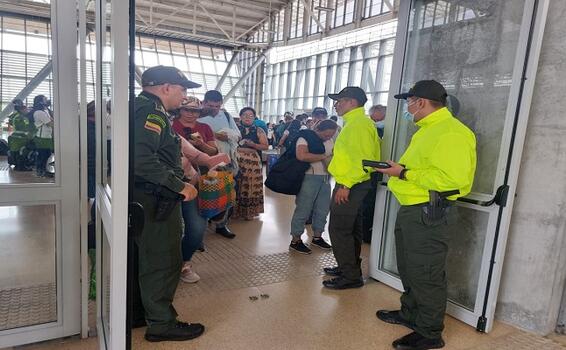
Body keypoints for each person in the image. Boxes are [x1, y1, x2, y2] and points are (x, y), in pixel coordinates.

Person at [374, 80, 476, 350]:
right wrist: (401, 169)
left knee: (426, 273)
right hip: (414, 208)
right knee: (410, 267)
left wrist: (404, 173)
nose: (407, 108)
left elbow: (452, 180)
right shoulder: (427, 130)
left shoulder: (451, 132)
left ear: (420, 102)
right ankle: (410, 314)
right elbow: (427, 168)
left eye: (409, 102)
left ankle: (430, 332)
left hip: (429, 212)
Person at [133, 65, 204, 342]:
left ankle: (141, 312)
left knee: (147, 257)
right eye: (182, 89)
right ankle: (161, 324)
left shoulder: (147, 109)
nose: (184, 96)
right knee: (163, 259)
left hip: (148, 195)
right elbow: (141, 158)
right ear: (165, 87)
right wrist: (179, 185)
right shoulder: (151, 113)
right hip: (155, 197)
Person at [322, 87, 381, 290]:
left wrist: (346, 184)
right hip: (352, 182)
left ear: (352, 102)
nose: (336, 104)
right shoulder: (355, 123)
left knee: (339, 228)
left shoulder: (358, 125)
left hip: (352, 183)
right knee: (351, 227)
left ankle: (350, 276)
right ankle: (349, 267)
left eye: (340, 100)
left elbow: (361, 159)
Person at [174, 98, 230, 283]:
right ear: (179, 110)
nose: (191, 114)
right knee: (168, 230)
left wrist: (200, 146)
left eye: (195, 111)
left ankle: (184, 262)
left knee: (197, 228)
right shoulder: (168, 125)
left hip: (198, 181)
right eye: (187, 109)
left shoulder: (204, 127)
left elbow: (212, 152)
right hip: (168, 182)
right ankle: (167, 266)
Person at [288, 120, 337, 254]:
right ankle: (296, 239)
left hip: (326, 178)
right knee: (304, 208)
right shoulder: (305, 137)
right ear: (318, 130)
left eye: (331, 135)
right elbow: (301, 156)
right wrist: (323, 156)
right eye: (326, 135)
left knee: (323, 209)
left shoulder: (330, 140)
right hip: (308, 177)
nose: (328, 138)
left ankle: (317, 236)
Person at [199, 90, 241, 239]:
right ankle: (200, 228)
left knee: (226, 191)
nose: (214, 109)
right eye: (211, 106)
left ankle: (222, 224)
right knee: (205, 192)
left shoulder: (226, 116)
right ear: (204, 103)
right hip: (204, 161)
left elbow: (238, 135)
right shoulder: (196, 116)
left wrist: (227, 135)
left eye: (217, 106)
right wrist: (215, 135)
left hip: (225, 160)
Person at [236, 107, 269, 220]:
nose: (248, 117)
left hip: (253, 162)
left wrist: (253, 145)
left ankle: (249, 212)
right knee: (237, 185)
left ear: (254, 117)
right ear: (240, 116)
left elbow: (265, 146)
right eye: (245, 115)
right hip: (237, 160)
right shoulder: (234, 128)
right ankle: (235, 211)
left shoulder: (259, 130)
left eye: (251, 115)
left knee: (251, 186)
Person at [31, 95, 54, 177]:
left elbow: (51, 120)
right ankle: (40, 171)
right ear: (40, 101)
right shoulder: (39, 112)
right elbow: (50, 123)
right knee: (42, 155)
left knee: (47, 154)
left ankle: (43, 170)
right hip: (42, 137)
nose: (47, 100)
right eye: (45, 99)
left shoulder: (45, 111)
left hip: (47, 136)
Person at [6, 99, 32, 171]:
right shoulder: (22, 117)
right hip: (21, 137)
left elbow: (11, 122)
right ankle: (21, 166)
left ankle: (18, 165)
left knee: (17, 151)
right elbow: (26, 127)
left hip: (15, 135)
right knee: (23, 151)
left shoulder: (14, 115)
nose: (27, 111)